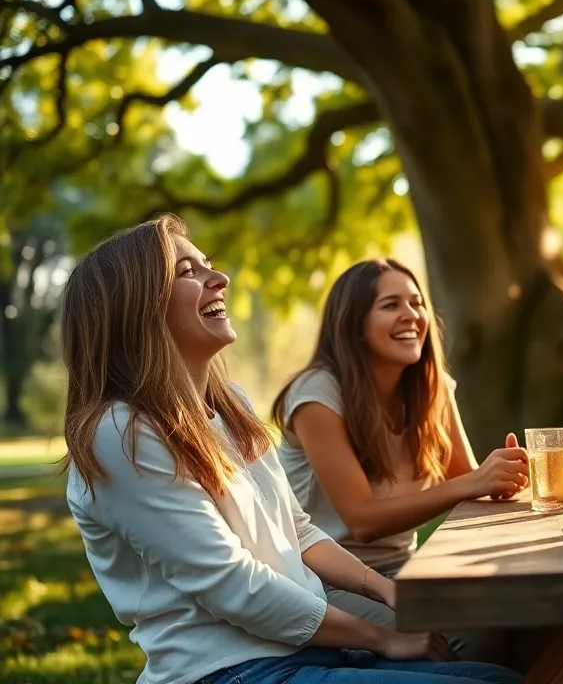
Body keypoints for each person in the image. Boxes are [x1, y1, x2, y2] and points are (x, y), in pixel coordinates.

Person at [61, 216, 522, 684]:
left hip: (310, 648)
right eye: (187, 271)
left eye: (209, 265)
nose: (218, 278)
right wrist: (381, 636)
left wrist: (385, 590)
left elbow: (296, 532)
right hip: (231, 669)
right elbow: (232, 585)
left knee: (497, 673)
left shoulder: (229, 405)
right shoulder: (121, 432)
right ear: (135, 308)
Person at [272, 259, 526, 662]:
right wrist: (474, 482)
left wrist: (503, 479)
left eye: (417, 302)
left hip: (405, 570)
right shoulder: (317, 395)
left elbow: (470, 490)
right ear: (354, 324)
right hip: (327, 582)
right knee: (476, 639)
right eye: (391, 305)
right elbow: (364, 520)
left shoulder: (431, 388)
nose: (412, 315)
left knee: (524, 617)